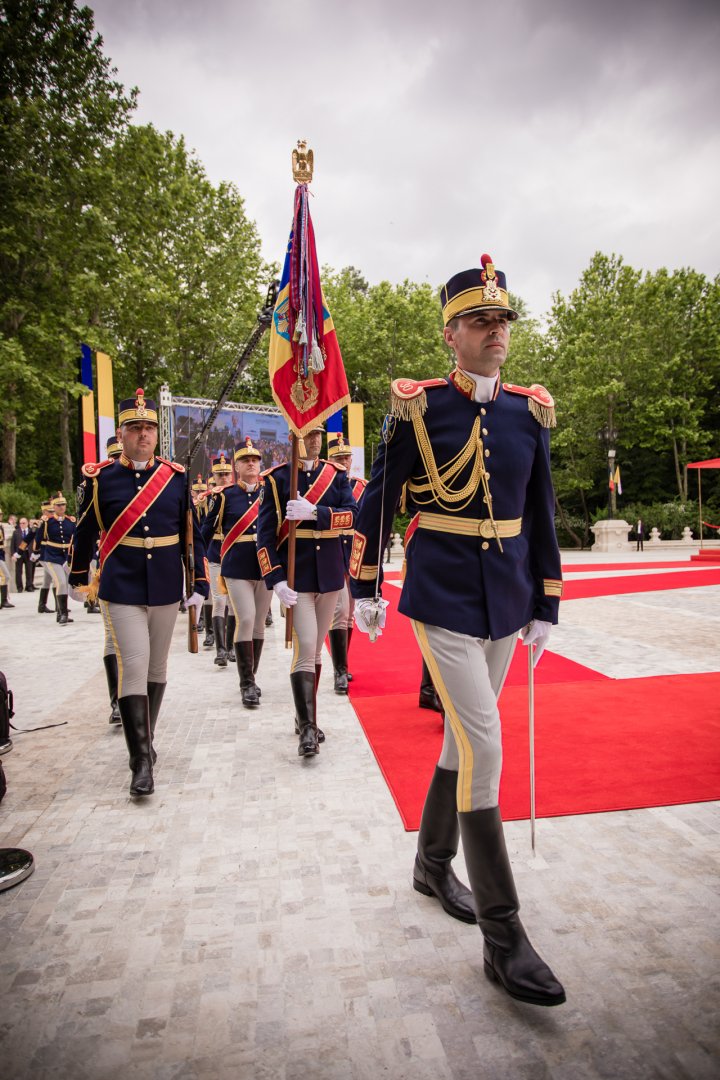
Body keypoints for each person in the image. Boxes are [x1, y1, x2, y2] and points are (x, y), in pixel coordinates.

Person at [349, 254, 565, 1007]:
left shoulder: (528, 412)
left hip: (505, 597)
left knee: (459, 742)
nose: (496, 331)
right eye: (481, 320)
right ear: (452, 335)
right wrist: (366, 582)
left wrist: (547, 599)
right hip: (440, 594)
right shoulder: (420, 407)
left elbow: (540, 510)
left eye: (503, 320)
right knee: (484, 744)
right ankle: (504, 940)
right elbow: (379, 496)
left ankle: (432, 864)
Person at [69, 389, 209, 797]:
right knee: (134, 662)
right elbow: (85, 531)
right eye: (135, 428)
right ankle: (141, 762)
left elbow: (192, 535)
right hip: (122, 583)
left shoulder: (176, 477)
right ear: (122, 433)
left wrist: (198, 582)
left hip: (165, 581)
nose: (143, 435)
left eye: (149, 428)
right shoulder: (100, 478)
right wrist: (80, 577)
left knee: (157, 668)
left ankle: (145, 740)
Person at [256, 424, 357, 756]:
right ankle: (309, 731)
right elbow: (265, 538)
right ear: (292, 438)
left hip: (329, 574)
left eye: (317, 436)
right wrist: (277, 579)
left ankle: (305, 718)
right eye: (306, 435)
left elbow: (353, 517)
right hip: (296, 578)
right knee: (307, 645)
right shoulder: (277, 479)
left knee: (315, 651)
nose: (313, 441)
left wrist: (317, 513)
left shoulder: (336, 475)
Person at [219, 437, 272, 707]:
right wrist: (213, 565)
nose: (251, 463)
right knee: (247, 618)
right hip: (237, 566)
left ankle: (252, 676)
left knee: (260, 621)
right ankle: (246, 684)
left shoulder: (270, 492)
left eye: (255, 460)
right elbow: (208, 533)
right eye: (245, 460)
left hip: (264, 567)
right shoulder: (226, 496)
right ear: (236, 466)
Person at [325, 432, 367, 693]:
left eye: (346, 457)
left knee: (349, 614)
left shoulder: (362, 486)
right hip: (333, 552)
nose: (343, 461)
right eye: (337, 458)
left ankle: (344, 663)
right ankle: (339, 671)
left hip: (356, 553)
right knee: (339, 612)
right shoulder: (325, 486)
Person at [201, 453, 236, 667]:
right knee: (218, 599)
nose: (223, 477)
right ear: (213, 475)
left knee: (233, 603)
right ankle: (220, 649)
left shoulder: (237, 495)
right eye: (219, 474)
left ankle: (231, 646)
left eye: (226, 474)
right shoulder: (206, 499)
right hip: (215, 552)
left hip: (233, 553)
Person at [33, 494, 75, 624]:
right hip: (52, 556)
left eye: (63, 505)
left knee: (65, 584)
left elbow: (75, 539)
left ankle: (61, 613)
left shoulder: (71, 521)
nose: (61, 507)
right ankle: (63, 613)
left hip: (65, 557)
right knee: (61, 582)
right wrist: (35, 552)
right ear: (54, 507)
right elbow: (39, 537)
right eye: (58, 505)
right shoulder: (47, 521)